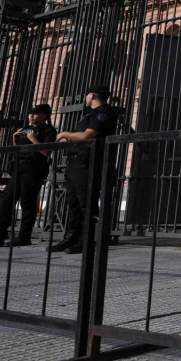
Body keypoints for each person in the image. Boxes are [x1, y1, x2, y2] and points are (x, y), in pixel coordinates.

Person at [53, 84, 120, 254]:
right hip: (75, 162)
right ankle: (71, 238)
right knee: (73, 203)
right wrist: (69, 141)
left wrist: (63, 134)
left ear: (92, 95)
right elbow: (81, 137)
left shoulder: (104, 112)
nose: (85, 99)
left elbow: (87, 136)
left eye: (86, 95)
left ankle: (86, 241)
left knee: (86, 203)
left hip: (88, 163)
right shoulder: (90, 115)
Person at [0, 104, 58, 248]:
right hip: (19, 167)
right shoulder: (25, 129)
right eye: (30, 114)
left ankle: (24, 237)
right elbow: (18, 150)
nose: (31, 116)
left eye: (35, 114)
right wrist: (15, 140)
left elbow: (47, 152)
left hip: (34, 169)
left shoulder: (49, 130)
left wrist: (34, 139)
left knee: (27, 203)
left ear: (44, 116)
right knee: (6, 201)